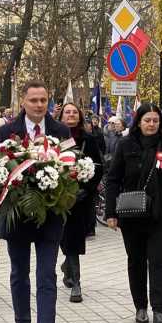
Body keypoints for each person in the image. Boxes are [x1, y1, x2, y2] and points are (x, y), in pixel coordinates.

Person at [105, 103, 162, 323]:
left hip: (160, 213)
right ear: (139, 121)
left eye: (155, 120)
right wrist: (110, 213)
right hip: (131, 214)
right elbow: (113, 179)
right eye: (147, 120)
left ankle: (159, 311)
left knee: (158, 261)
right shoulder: (126, 144)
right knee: (136, 261)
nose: (152, 124)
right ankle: (140, 307)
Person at [0, 80, 70, 323]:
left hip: (50, 216)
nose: (39, 105)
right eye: (34, 100)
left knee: (47, 274)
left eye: (43, 100)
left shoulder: (61, 131)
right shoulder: (7, 131)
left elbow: (73, 169)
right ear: (23, 102)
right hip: (18, 216)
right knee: (19, 273)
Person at [58, 103, 103, 302]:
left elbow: (99, 167)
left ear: (80, 116)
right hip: (57, 196)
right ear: (61, 116)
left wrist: (87, 189)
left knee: (75, 238)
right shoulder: (54, 137)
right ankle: (70, 271)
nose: (71, 115)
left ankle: (75, 280)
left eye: (74, 112)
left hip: (80, 197)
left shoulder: (89, 139)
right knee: (62, 237)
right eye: (67, 112)